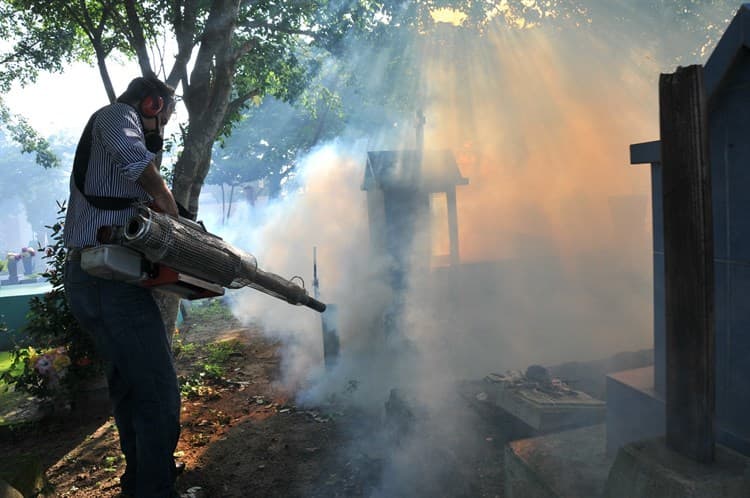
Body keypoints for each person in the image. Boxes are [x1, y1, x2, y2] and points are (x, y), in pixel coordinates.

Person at [63, 76, 181, 498]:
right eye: (164, 115)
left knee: (131, 388)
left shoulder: (118, 130)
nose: (162, 126)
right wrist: (182, 231)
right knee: (159, 395)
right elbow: (145, 174)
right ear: (151, 104)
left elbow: (136, 191)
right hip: (109, 283)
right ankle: (155, 487)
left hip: (98, 278)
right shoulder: (118, 117)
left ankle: (141, 481)